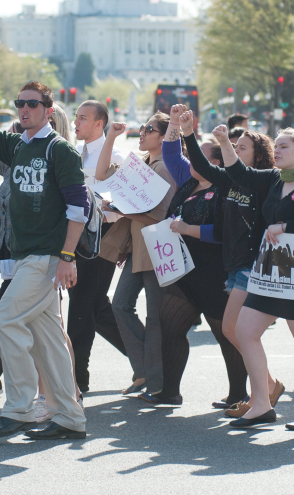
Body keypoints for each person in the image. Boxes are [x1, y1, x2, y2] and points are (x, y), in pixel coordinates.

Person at [0, 64, 87, 440]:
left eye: (33, 104)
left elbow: (79, 209)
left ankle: (21, 408)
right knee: (48, 341)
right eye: (20, 104)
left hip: (47, 257)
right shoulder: (17, 145)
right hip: (26, 257)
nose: (24, 109)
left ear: (48, 110)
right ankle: (69, 416)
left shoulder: (59, 151)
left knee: (6, 321)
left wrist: (67, 257)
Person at [221, 126, 294, 430]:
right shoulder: (274, 178)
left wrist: (288, 227)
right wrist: (223, 142)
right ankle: (261, 404)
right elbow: (239, 173)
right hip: (270, 269)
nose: (278, 151)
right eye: (277, 146)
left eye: (284, 147)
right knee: (245, 331)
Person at [175, 106, 284, 418]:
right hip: (235, 265)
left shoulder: (266, 182)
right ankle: (267, 388)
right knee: (235, 331)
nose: (235, 150)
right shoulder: (227, 181)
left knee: (235, 329)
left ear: (259, 156)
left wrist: (224, 143)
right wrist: (188, 133)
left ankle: (261, 397)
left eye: (242, 147)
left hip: (255, 264)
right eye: (234, 147)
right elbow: (199, 164)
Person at [137, 110, 248, 408]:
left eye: (198, 157)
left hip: (214, 275)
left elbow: (226, 232)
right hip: (184, 273)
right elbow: (173, 152)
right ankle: (170, 392)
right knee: (170, 325)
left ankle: (239, 394)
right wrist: (175, 124)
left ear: (214, 164)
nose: (190, 161)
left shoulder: (228, 188)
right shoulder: (188, 181)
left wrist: (189, 229)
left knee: (226, 336)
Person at [96, 119, 177, 398]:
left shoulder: (164, 168)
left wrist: (121, 209)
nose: (142, 134)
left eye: (149, 131)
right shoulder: (142, 163)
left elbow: (157, 215)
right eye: (141, 130)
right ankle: (146, 370)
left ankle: (156, 382)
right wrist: (111, 138)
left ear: (166, 137)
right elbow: (102, 174)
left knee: (154, 318)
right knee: (120, 306)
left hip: (157, 249)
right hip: (138, 251)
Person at [68, 100, 127, 393]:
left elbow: (125, 204)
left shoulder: (113, 154)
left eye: (83, 118)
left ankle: (77, 378)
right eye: (76, 117)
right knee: (95, 307)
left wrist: (105, 205)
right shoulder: (78, 153)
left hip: (102, 237)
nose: (76, 123)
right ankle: (148, 359)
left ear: (99, 124)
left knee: (81, 307)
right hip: (80, 237)